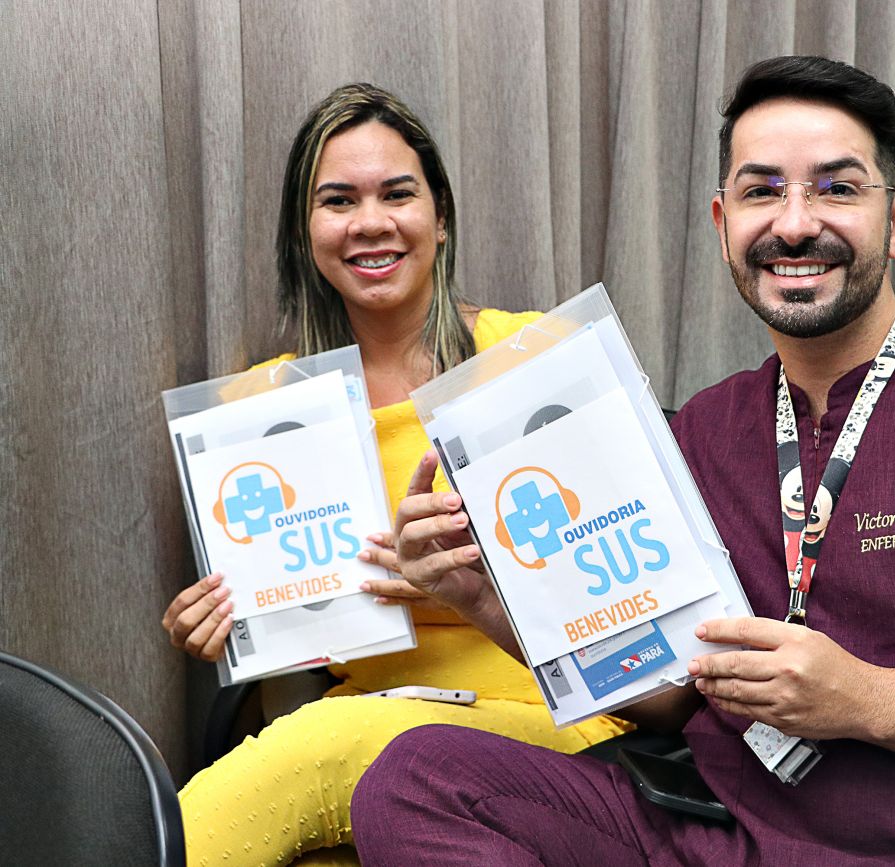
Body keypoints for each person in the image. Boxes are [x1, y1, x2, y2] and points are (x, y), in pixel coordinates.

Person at [348, 56, 895, 865]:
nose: (794, 223)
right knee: (416, 779)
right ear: (723, 226)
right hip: (711, 828)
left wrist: (866, 699)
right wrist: (482, 599)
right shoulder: (706, 428)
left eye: (837, 188)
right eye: (762, 191)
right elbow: (672, 698)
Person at [161, 83, 627, 867]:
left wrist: (467, 581)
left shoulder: (534, 358)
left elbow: (633, 588)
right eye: (338, 200)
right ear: (305, 231)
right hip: (367, 718)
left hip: (550, 722)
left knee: (310, 751)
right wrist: (223, 625)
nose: (370, 221)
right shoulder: (261, 410)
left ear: (440, 217)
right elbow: (290, 629)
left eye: (397, 194)